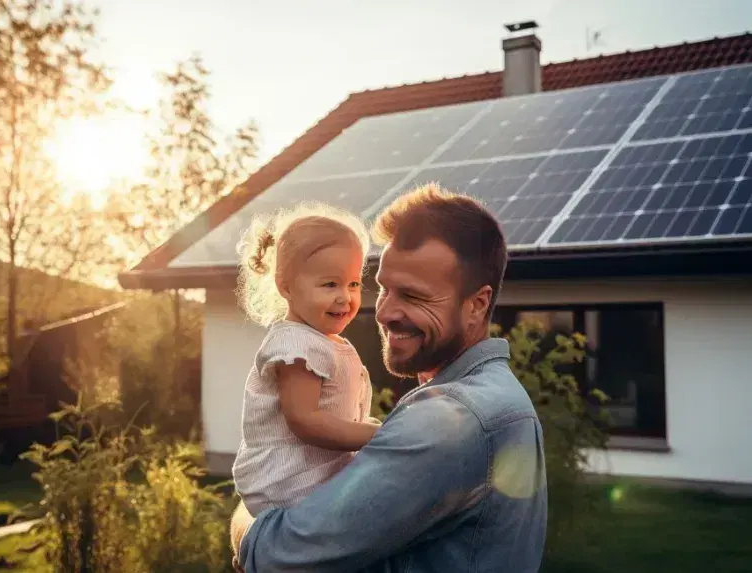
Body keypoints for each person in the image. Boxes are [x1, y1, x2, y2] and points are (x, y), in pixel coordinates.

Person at [231, 183, 548, 573]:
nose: (385, 313)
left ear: (476, 304)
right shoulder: (494, 396)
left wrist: (246, 522)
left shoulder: (453, 420)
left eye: (414, 296)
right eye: (383, 289)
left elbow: (279, 555)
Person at [231, 202, 381, 518]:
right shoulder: (296, 343)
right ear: (285, 286)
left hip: (313, 477)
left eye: (353, 283)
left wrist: (367, 427)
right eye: (330, 284)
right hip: (290, 483)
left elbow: (334, 414)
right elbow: (306, 421)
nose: (346, 296)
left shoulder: (325, 342)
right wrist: (375, 437)